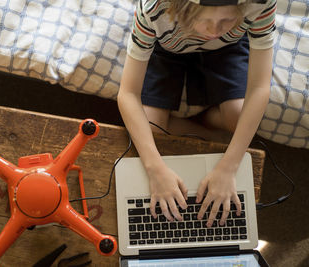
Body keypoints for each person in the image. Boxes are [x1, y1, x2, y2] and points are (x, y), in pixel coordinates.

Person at [117, 0, 276, 227]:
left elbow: (260, 88)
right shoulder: (154, 8)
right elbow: (127, 94)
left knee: (240, 116)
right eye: (204, 21)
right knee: (151, 128)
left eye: (226, 19)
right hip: (166, 47)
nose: (213, 30)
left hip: (228, 46)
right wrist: (155, 170)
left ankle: (201, 118)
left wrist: (229, 167)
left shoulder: (260, 3)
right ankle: (206, 125)